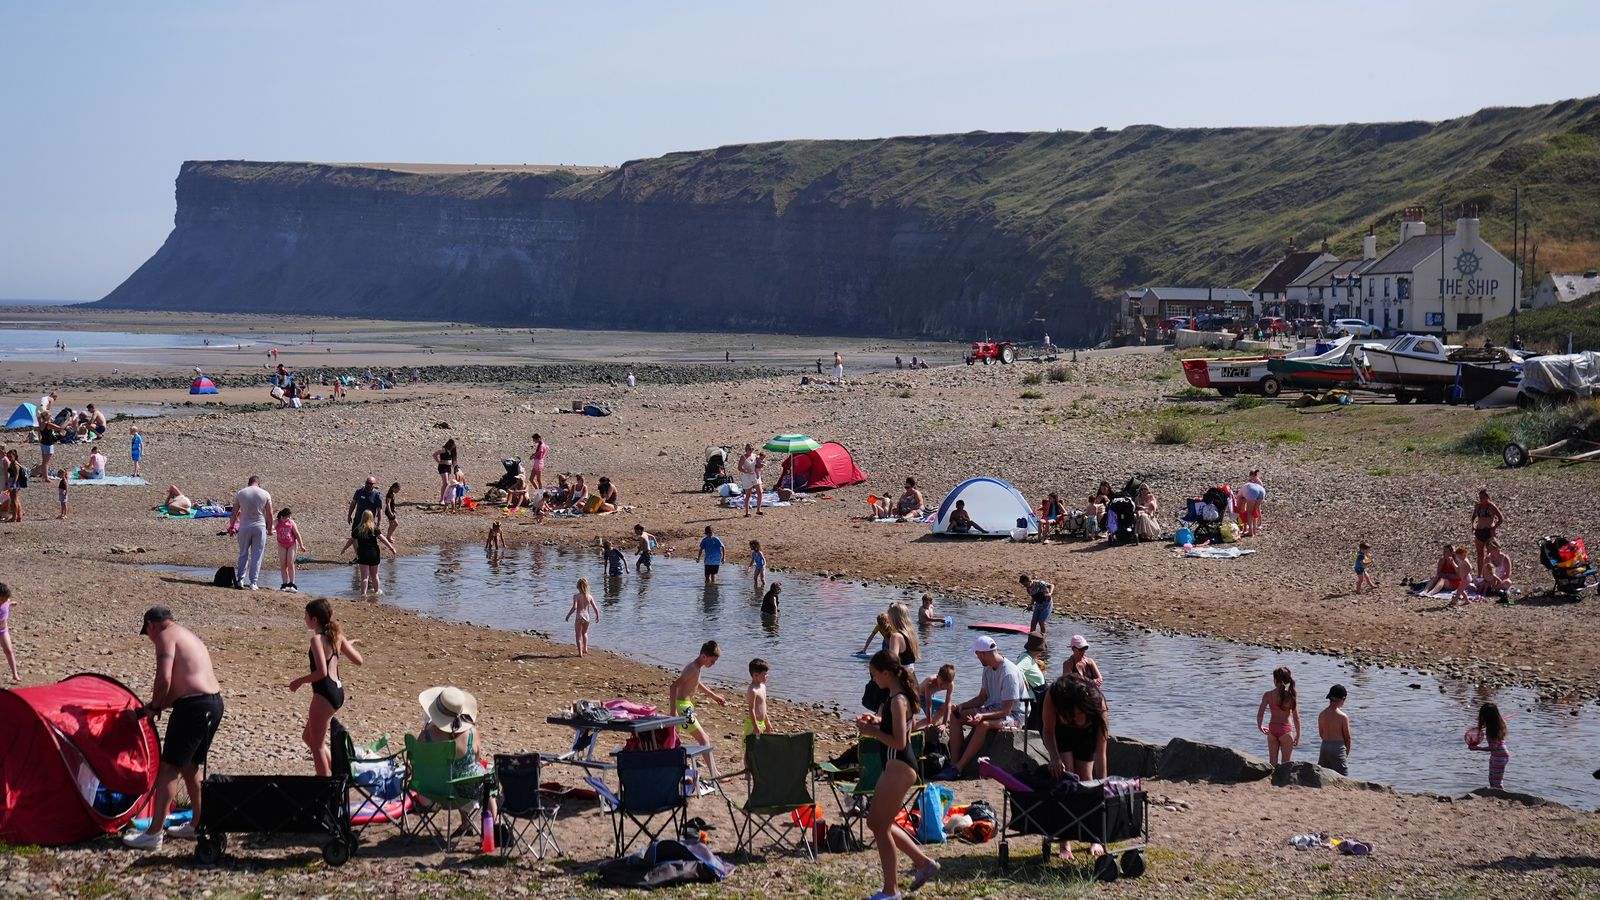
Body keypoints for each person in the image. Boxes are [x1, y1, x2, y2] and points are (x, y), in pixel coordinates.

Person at [123, 607, 224, 850]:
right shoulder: (187, 635)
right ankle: (199, 823)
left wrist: (153, 706)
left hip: (194, 707)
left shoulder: (165, 637)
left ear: (151, 625)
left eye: (147, 633)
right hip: (213, 703)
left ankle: (153, 833)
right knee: (191, 766)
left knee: (169, 768)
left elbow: (164, 679)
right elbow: (182, 685)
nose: (149, 638)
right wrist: (153, 708)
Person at [857, 649, 940, 898]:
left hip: (900, 766)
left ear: (886, 673)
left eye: (874, 675)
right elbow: (900, 727)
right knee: (876, 823)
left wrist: (872, 733)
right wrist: (876, 723)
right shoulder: (897, 695)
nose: (873, 680)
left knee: (880, 827)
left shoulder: (897, 700)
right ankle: (924, 864)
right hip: (896, 768)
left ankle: (891, 891)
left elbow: (900, 742)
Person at [288, 599, 364, 776]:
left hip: (324, 693)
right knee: (308, 737)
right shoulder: (337, 637)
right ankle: (340, 771)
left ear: (314, 620)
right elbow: (359, 661)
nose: (304, 618)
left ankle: (325, 787)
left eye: (306, 615)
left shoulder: (316, 640)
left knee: (318, 746)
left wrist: (299, 681)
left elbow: (321, 672)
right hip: (337, 693)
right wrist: (346, 644)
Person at [937, 636, 1026, 780]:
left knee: (983, 725)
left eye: (977, 654)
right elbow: (981, 698)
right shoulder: (988, 668)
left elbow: (1007, 710)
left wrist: (982, 716)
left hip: (1015, 716)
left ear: (983, 654)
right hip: (993, 708)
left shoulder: (1009, 673)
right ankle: (953, 763)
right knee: (956, 716)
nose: (977, 657)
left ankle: (960, 767)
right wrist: (961, 706)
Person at [416, 686, 496, 832]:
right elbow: (476, 759)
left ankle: (466, 824)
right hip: (466, 793)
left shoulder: (426, 735)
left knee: (454, 773)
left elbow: (416, 759)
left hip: (432, 793)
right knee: (487, 781)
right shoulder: (472, 733)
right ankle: (491, 831)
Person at [1041, 674, 1110, 797]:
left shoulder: (1098, 704)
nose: (1075, 720)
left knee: (1086, 779)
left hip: (1087, 733)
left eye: (1079, 714)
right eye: (1071, 716)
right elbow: (1048, 731)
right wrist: (1054, 757)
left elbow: (1100, 753)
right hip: (1060, 730)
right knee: (1068, 775)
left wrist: (1102, 787)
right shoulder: (1053, 695)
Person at [670, 641, 727, 780]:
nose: (713, 664)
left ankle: (676, 769)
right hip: (683, 708)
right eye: (712, 661)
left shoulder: (695, 667)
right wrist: (673, 712)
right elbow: (673, 687)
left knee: (675, 740)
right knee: (704, 739)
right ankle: (715, 774)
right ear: (703, 656)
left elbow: (697, 684)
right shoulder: (693, 669)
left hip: (685, 706)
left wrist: (714, 696)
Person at [228, 476, 274, 590]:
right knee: (257, 555)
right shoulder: (265, 493)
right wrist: (269, 529)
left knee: (243, 553)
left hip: (244, 526)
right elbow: (270, 514)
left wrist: (232, 526)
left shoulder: (241, 493)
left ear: (249, 483)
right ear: (259, 484)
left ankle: (240, 580)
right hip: (259, 526)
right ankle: (253, 582)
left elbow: (234, 513)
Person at [341, 510, 397, 595]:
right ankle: (377, 592)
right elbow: (383, 539)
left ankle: (363, 594)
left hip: (363, 554)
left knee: (364, 577)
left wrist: (344, 549)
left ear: (362, 518)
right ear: (371, 518)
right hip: (374, 553)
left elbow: (351, 541)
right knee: (375, 575)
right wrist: (391, 547)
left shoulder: (358, 529)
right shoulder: (374, 529)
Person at [1255, 666, 1300, 766]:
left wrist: (1260, 726)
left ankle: (1271, 780)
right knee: (1286, 764)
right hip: (1286, 730)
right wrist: (1298, 735)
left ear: (1275, 680)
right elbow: (1296, 718)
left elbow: (1260, 714)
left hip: (1272, 728)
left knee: (1272, 763)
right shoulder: (1291, 696)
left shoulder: (1268, 695)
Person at [1469, 702, 1510, 789]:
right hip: (1500, 754)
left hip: (1499, 756)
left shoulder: (1492, 730)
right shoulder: (1500, 723)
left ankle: (1501, 796)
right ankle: (1494, 795)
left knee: (1497, 781)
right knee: (1492, 778)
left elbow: (1493, 748)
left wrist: (1477, 748)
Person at [1317, 684, 1351, 776]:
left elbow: (1321, 733)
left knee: (1323, 775)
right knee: (1343, 776)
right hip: (1337, 747)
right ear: (1343, 699)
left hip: (1324, 746)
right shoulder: (1343, 717)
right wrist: (1346, 753)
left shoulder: (1322, 714)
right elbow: (1347, 738)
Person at [1471, 489, 1505, 577]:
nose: (1481, 499)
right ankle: (1479, 574)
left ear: (1487, 497)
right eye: (1480, 497)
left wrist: (1494, 528)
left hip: (1488, 532)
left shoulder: (1492, 506)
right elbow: (1473, 517)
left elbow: (1501, 519)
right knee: (1480, 555)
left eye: (1482, 497)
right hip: (1479, 531)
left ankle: (1491, 574)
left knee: (1490, 554)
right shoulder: (1478, 506)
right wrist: (1473, 526)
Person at [914, 664, 956, 733]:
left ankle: (917, 725)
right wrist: (928, 723)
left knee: (937, 718)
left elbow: (948, 704)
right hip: (920, 697)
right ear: (937, 677)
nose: (943, 687)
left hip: (931, 695)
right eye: (941, 683)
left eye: (946, 685)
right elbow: (929, 705)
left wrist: (944, 724)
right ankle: (918, 726)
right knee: (932, 721)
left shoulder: (951, 684)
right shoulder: (930, 682)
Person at [565, 577, 600, 656]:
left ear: (578, 586)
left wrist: (568, 615)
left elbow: (574, 608)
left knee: (578, 635)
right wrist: (597, 616)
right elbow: (595, 608)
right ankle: (585, 648)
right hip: (587, 616)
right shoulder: (589, 597)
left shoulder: (576, 596)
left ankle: (580, 652)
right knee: (584, 633)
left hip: (579, 616)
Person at [275, 508, 306, 592]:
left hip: (291, 544)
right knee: (283, 564)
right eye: (287, 517)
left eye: (289, 516)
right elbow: (271, 528)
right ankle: (284, 584)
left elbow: (297, 534)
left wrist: (301, 545)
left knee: (290, 563)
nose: (289, 518)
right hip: (281, 544)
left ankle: (292, 584)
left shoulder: (291, 522)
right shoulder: (277, 522)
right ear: (282, 516)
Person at [883, 602, 920, 675]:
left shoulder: (896, 637)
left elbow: (893, 663)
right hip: (911, 676)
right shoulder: (911, 635)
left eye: (889, 618)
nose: (888, 621)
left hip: (901, 679)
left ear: (894, 619)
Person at [744, 658, 771, 736]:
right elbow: (751, 710)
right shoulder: (752, 690)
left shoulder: (763, 687)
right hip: (753, 724)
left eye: (767, 673)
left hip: (762, 722)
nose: (767, 676)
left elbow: (764, 706)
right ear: (755, 675)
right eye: (764, 674)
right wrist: (755, 727)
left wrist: (767, 721)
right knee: (752, 746)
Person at [737, 445, 765, 517]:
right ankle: (747, 512)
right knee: (748, 494)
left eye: (752, 449)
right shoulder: (743, 457)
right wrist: (746, 471)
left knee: (760, 492)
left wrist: (761, 465)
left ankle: (759, 509)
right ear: (746, 449)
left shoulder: (755, 455)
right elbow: (739, 468)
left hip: (755, 475)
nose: (751, 450)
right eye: (750, 449)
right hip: (747, 477)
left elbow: (758, 464)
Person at [1239, 470, 1266, 536]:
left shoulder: (1258, 481)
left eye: (1251, 477)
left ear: (1253, 476)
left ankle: (1254, 527)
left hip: (1255, 495)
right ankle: (1254, 529)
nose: (1250, 479)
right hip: (1260, 494)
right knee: (1254, 511)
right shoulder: (1254, 481)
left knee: (1251, 512)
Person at [0, 583, 17, 681]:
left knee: (9, 650)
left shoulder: (6, 601)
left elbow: (8, 602)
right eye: (2, 599)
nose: (4, 601)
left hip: (3, 631)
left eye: (5, 599)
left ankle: (15, 674)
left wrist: (11, 603)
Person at [433, 439, 457, 505]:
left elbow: (453, 460)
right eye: (453, 445)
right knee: (446, 483)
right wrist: (438, 461)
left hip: (448, 467)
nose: (453, 447)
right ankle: (442, 500)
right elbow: (434, 454)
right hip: (443, 467)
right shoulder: (444, 449)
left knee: (447, 483)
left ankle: (445, 498)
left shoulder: (450, 451)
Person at [2, 449, 22, 523]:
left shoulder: (15, 464)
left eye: (10, 456)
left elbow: (16, 475)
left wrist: (13, 484)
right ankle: (19, 517)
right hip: (14, 483)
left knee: (14, 501)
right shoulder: (13, 463)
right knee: (16, 500)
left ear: (15, 456)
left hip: (15, 484)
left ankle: (14, 517)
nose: (9, 458)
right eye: (8, 457)